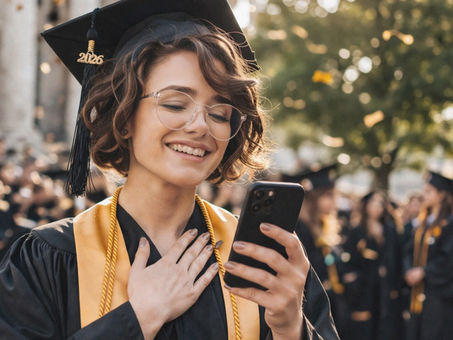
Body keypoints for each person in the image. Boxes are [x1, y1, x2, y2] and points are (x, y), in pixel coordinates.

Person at [0, 1, 339, 339]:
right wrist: (138, 319)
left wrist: (291, 328)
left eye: (220, 113)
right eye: (176, 104)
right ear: (124, 112)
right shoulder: (50, 258)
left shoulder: (261, 262)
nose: (200, 126)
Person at [284, 164, 347, 337]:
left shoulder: (323, 225)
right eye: (329, 197)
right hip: (307, 306)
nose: (334, 204)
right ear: (313, 198)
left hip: (327, 300)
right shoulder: (299, 228)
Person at [341, 191, 404, 340]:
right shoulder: (357, 230)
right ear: (366, 205)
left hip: (385, 288)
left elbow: (396, 258)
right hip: (364, 287)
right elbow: (350, 260)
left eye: (380, 204)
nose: (377, 207)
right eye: (373, 203)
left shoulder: (390, 230)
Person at [403, 171, 453, 340]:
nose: (424, 195)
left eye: (428, 191)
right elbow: (408, 250)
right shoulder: (423, 223)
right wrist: (409, 269)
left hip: (439, 296)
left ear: (441, 195)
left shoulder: (449, 223)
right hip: (417, 294)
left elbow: (448, 259)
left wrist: (424, 272)